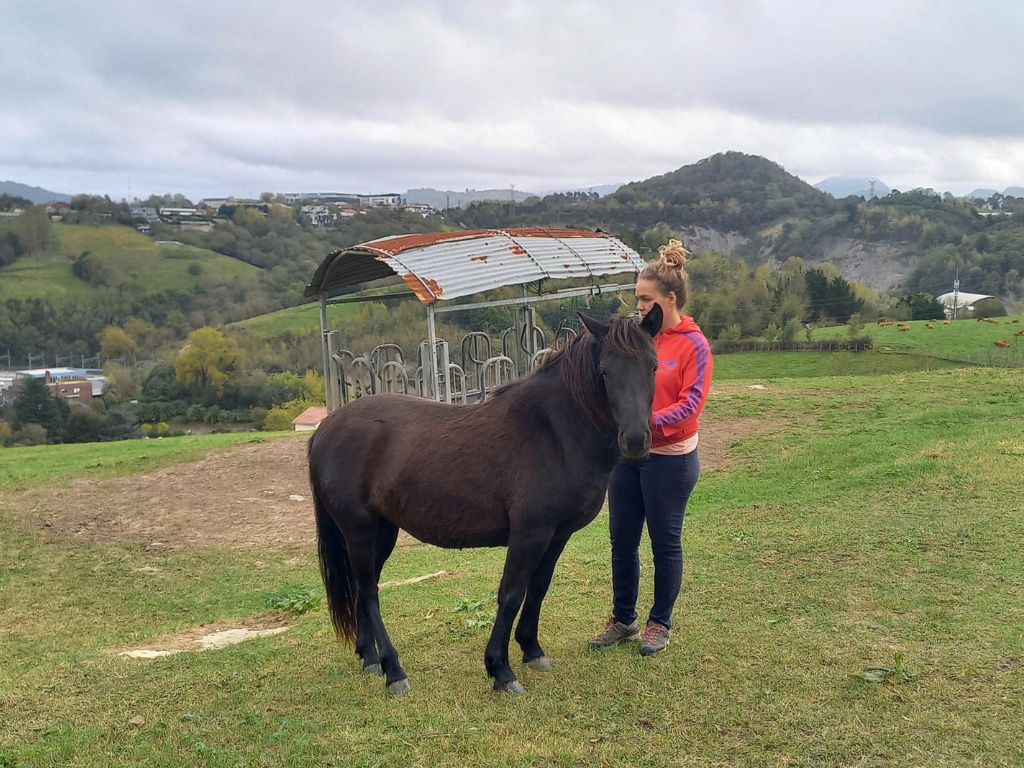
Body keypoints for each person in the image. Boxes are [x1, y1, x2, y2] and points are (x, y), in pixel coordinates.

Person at [589, 239, 713, 656]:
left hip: (669, 460)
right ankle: (623, 619)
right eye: (637, 298)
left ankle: (660, 622)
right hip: (628, 456)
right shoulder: (639, 337)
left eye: (645, 299)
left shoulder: (693, 344)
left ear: (669, 300)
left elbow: (691, 404)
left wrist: (646, 425)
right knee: (621, 540)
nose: (637, 305)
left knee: (665, 542)